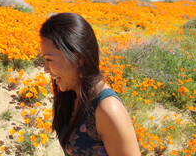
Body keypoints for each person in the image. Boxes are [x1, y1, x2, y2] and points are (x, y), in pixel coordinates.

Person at [40, 13, 140, 156]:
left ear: (79, 57)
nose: (45, 68)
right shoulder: (71, 96)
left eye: (49, 59)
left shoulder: (107, 109)